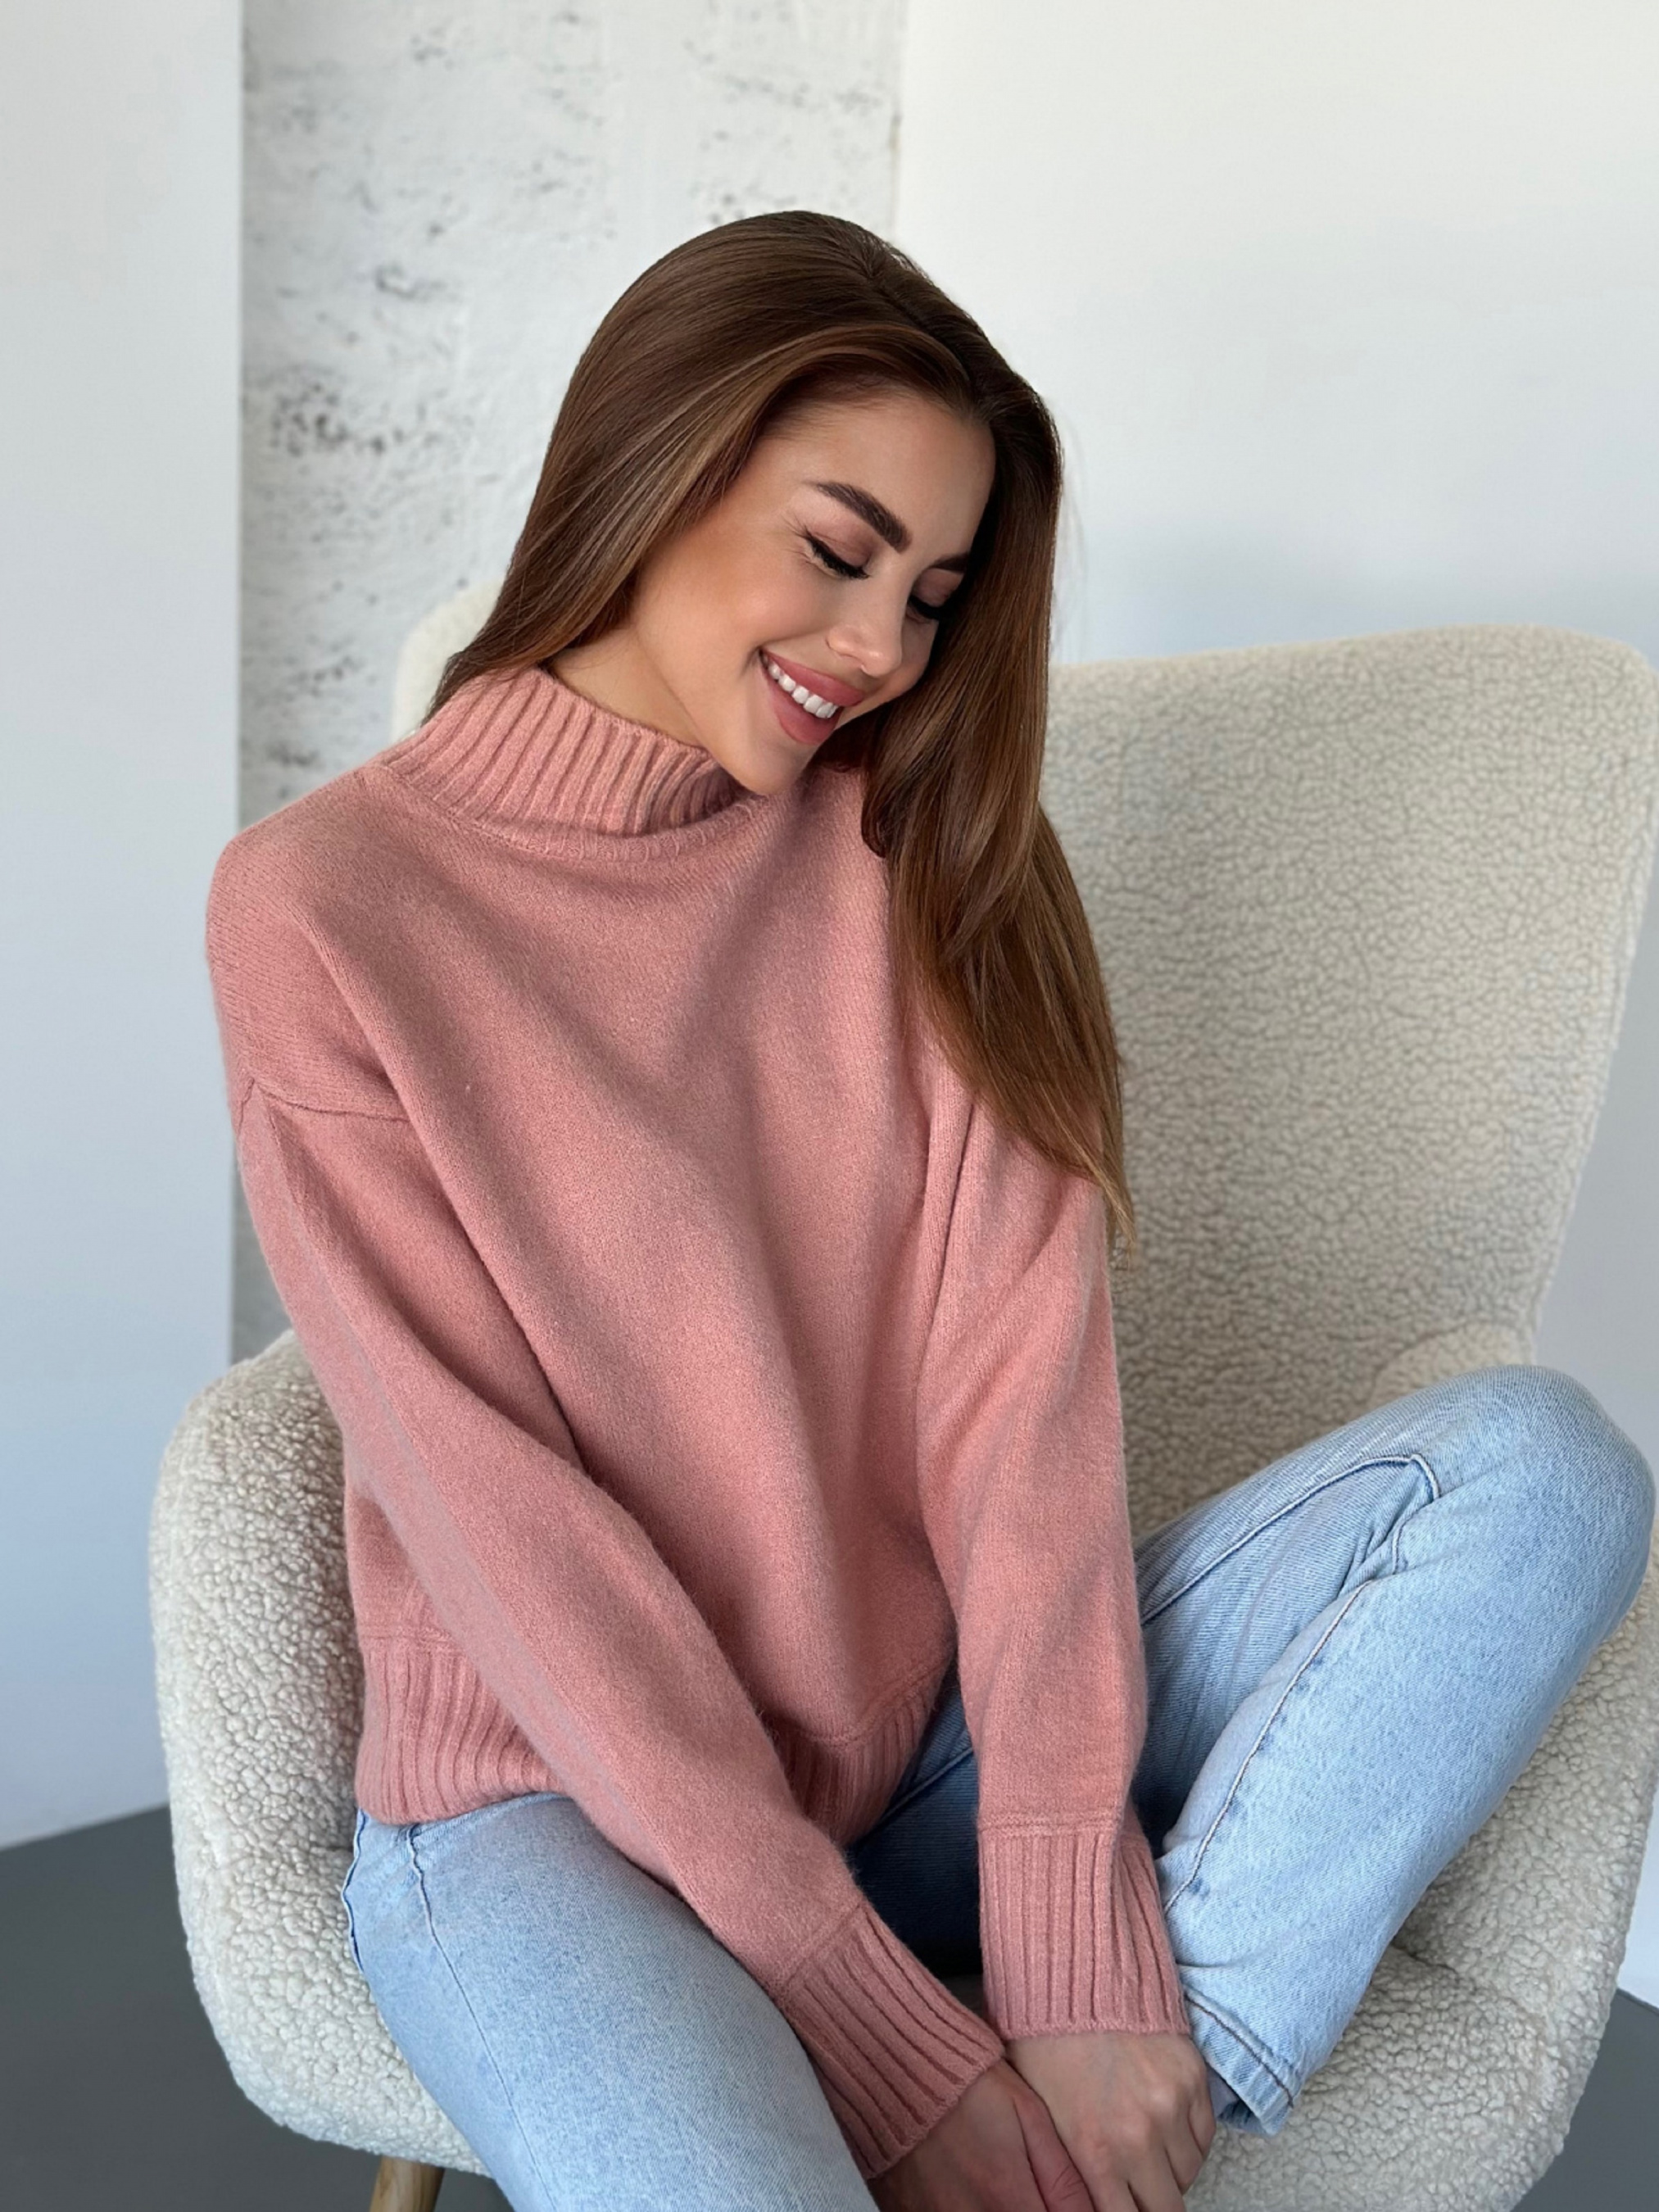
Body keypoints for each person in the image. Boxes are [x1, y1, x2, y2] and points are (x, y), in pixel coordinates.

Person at [204, 211, 1655, 2212]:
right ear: (652, 465)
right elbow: (503, 1531)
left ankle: (1104, 2131)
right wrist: (868, 2030)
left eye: (933, 594)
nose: (881, 649)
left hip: (920, 1771)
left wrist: (1070, 1947)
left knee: (1540, 1478)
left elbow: (1016, 1421)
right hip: (547, 1818)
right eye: (837, 550)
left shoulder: (924, 849)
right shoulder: (324, 909)